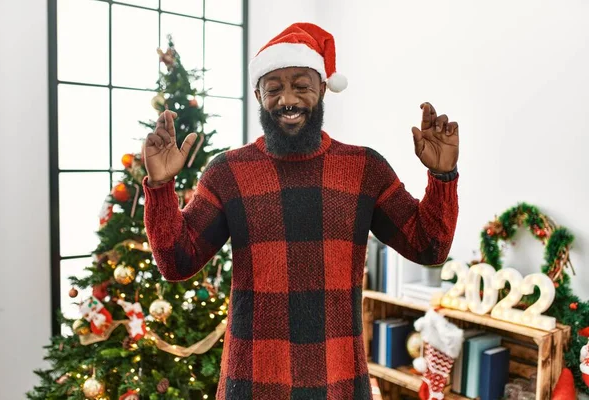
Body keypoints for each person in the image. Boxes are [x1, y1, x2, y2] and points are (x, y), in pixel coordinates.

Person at [142, 22, 459, 400]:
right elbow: (177, 263)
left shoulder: (365, 169)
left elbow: (429, 247)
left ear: (322, 89)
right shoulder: (227, 173)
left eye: (301, 86)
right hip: (252, 382)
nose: (287, 99)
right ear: (258, 95)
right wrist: (161, 188)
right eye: (273, 89)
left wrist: (442, 176)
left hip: (339, 382)